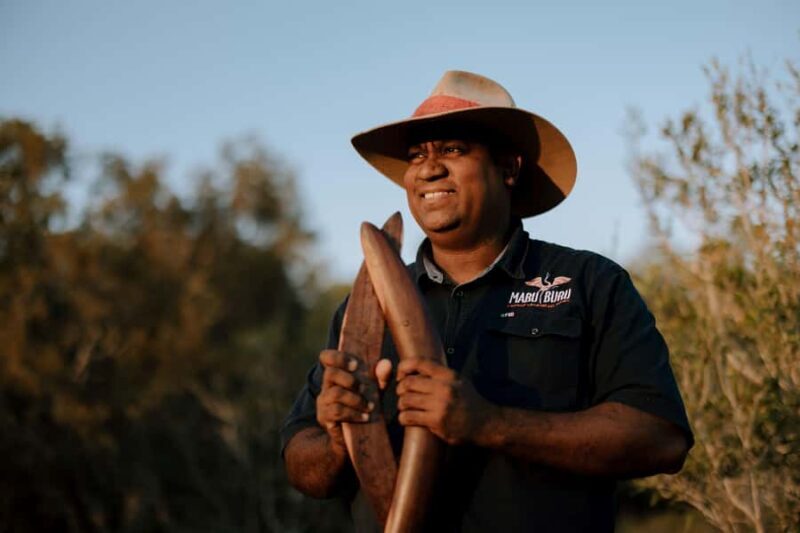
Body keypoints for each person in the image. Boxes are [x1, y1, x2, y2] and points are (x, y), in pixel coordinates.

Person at [281, 71, 693, 532]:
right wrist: (340, 442)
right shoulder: (364, 306)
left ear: (509, 168)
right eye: (417, 155)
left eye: (453, 150)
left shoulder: (590, 283)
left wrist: (489, 424)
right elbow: (303, 468)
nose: (428, 168)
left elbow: (661, 438)